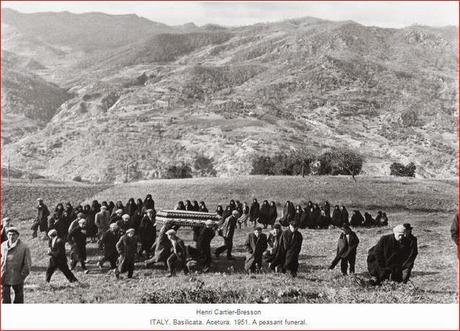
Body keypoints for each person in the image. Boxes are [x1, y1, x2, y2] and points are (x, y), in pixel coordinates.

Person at [1, 227, 32, 303]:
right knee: (4, 298)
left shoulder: (24, 247)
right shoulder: (3, 245)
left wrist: (22, 276)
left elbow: (27, 264)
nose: (11, 237)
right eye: (9, 235)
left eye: (13, 235)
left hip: (17, 277)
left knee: (19, 298)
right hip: (4, 276)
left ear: (17, 236)